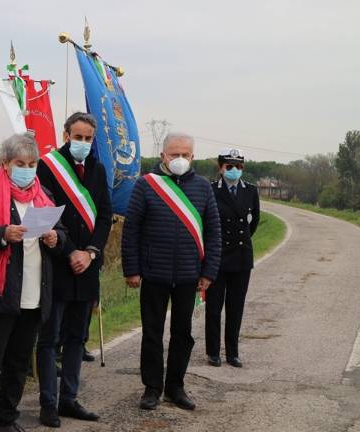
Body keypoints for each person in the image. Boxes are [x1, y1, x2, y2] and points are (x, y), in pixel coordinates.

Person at [0, 133, 66, 432]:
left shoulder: (43, 195)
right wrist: (1, 235)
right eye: (20, 163)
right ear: (6, 164)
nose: (27, 168)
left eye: (32, 163)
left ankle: (7, 419)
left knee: (19, 363)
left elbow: (63, 234)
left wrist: (56, 237)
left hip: (33, 295)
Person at [122, 132, 221, 411]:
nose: (180, 159)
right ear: (163, 155)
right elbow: (131, 230)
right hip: (154, 274)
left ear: (193, 156)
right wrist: (132, 269)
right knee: (152, 333)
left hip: (189, 275)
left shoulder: (203, 188)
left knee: (183, 333)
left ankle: (175, 387)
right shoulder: (146, 185)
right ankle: (152, 387)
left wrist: (209, 272)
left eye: (185, 155)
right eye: (174, 154)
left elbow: (213, 233)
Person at [35, 112, 113, 427]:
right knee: (50, 338)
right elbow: (48, 213)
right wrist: (71, 252)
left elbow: (105, 216)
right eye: (77, 137)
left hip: (87, 268)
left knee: (77, 339)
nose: (82, 143)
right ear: (66, 134)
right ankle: (47, 403)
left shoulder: (97, 168)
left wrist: (91, 252)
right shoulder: (48, 166)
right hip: (58, 263)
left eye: (88, 138)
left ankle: (69, 398)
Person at [205, 149, 260, 368]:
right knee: (214, 307)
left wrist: (242, 242)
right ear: (221, 168)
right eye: (229, 167)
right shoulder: (211, 190)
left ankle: (232, 352)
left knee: (236, 307)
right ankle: (213, 352)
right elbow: (206, 223)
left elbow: (253, 222)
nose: (234, 170)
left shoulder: (250, 191)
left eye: (238, 167)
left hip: (241, 257)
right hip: (217, 257)